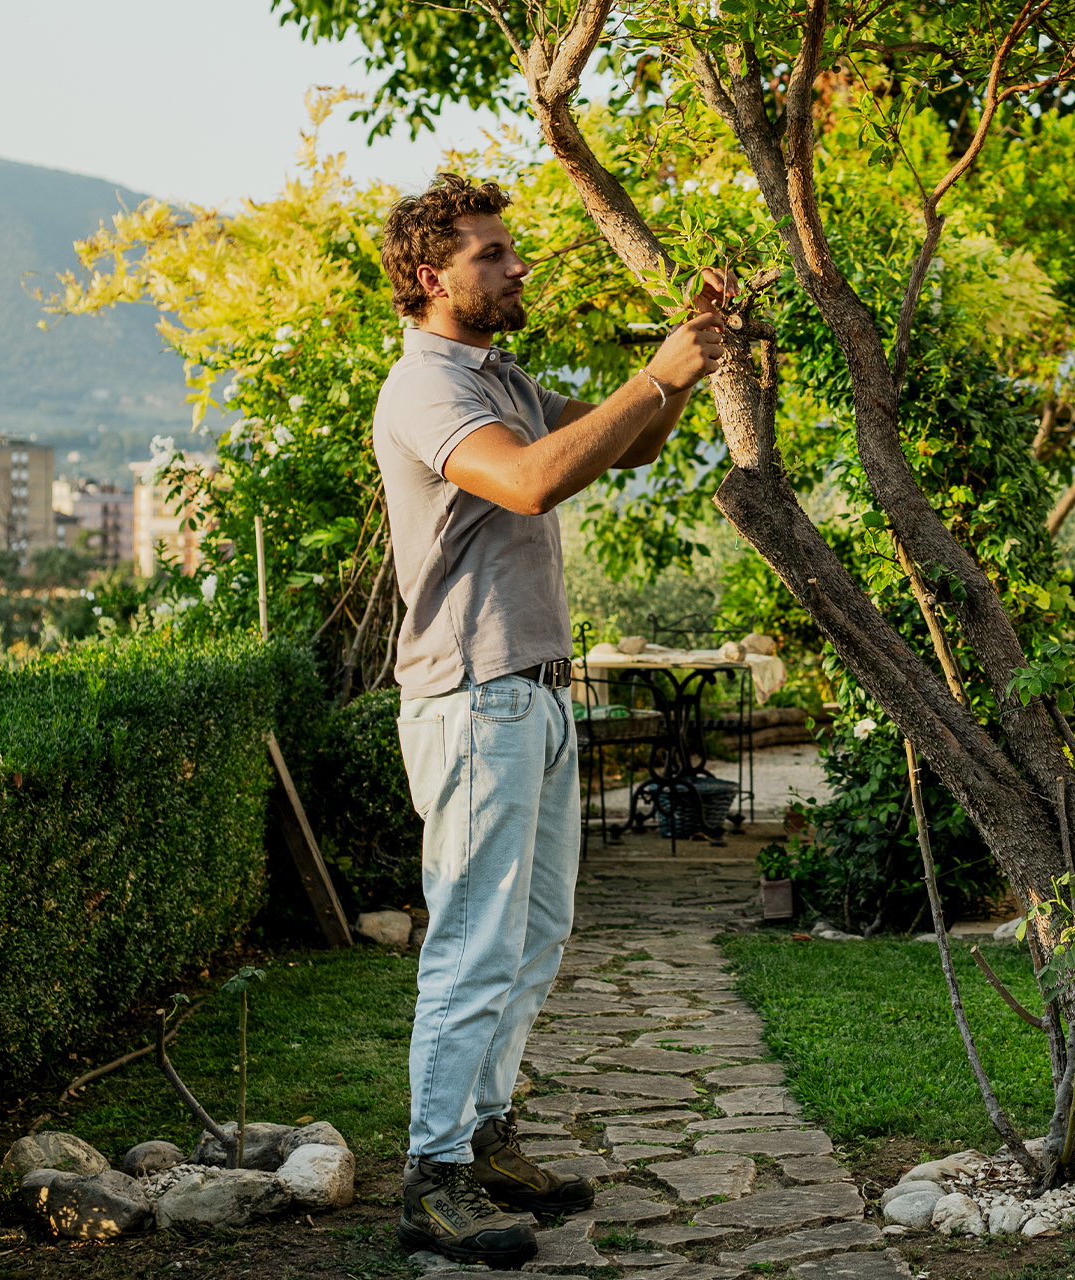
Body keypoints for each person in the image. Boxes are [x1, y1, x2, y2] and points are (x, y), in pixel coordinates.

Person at [371, 172, 734, 1265]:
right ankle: (431, 1177)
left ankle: (483, 1138)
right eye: (491, 253)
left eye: (510, 248)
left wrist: (684, 366)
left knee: (533, 935)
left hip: (530, 690)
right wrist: (654, 371)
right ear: (432, 277)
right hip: (472, 695)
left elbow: (632, 445)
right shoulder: (427, 386)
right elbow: (529, 482)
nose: (516, 264)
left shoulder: (501, 377)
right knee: (474, 940)